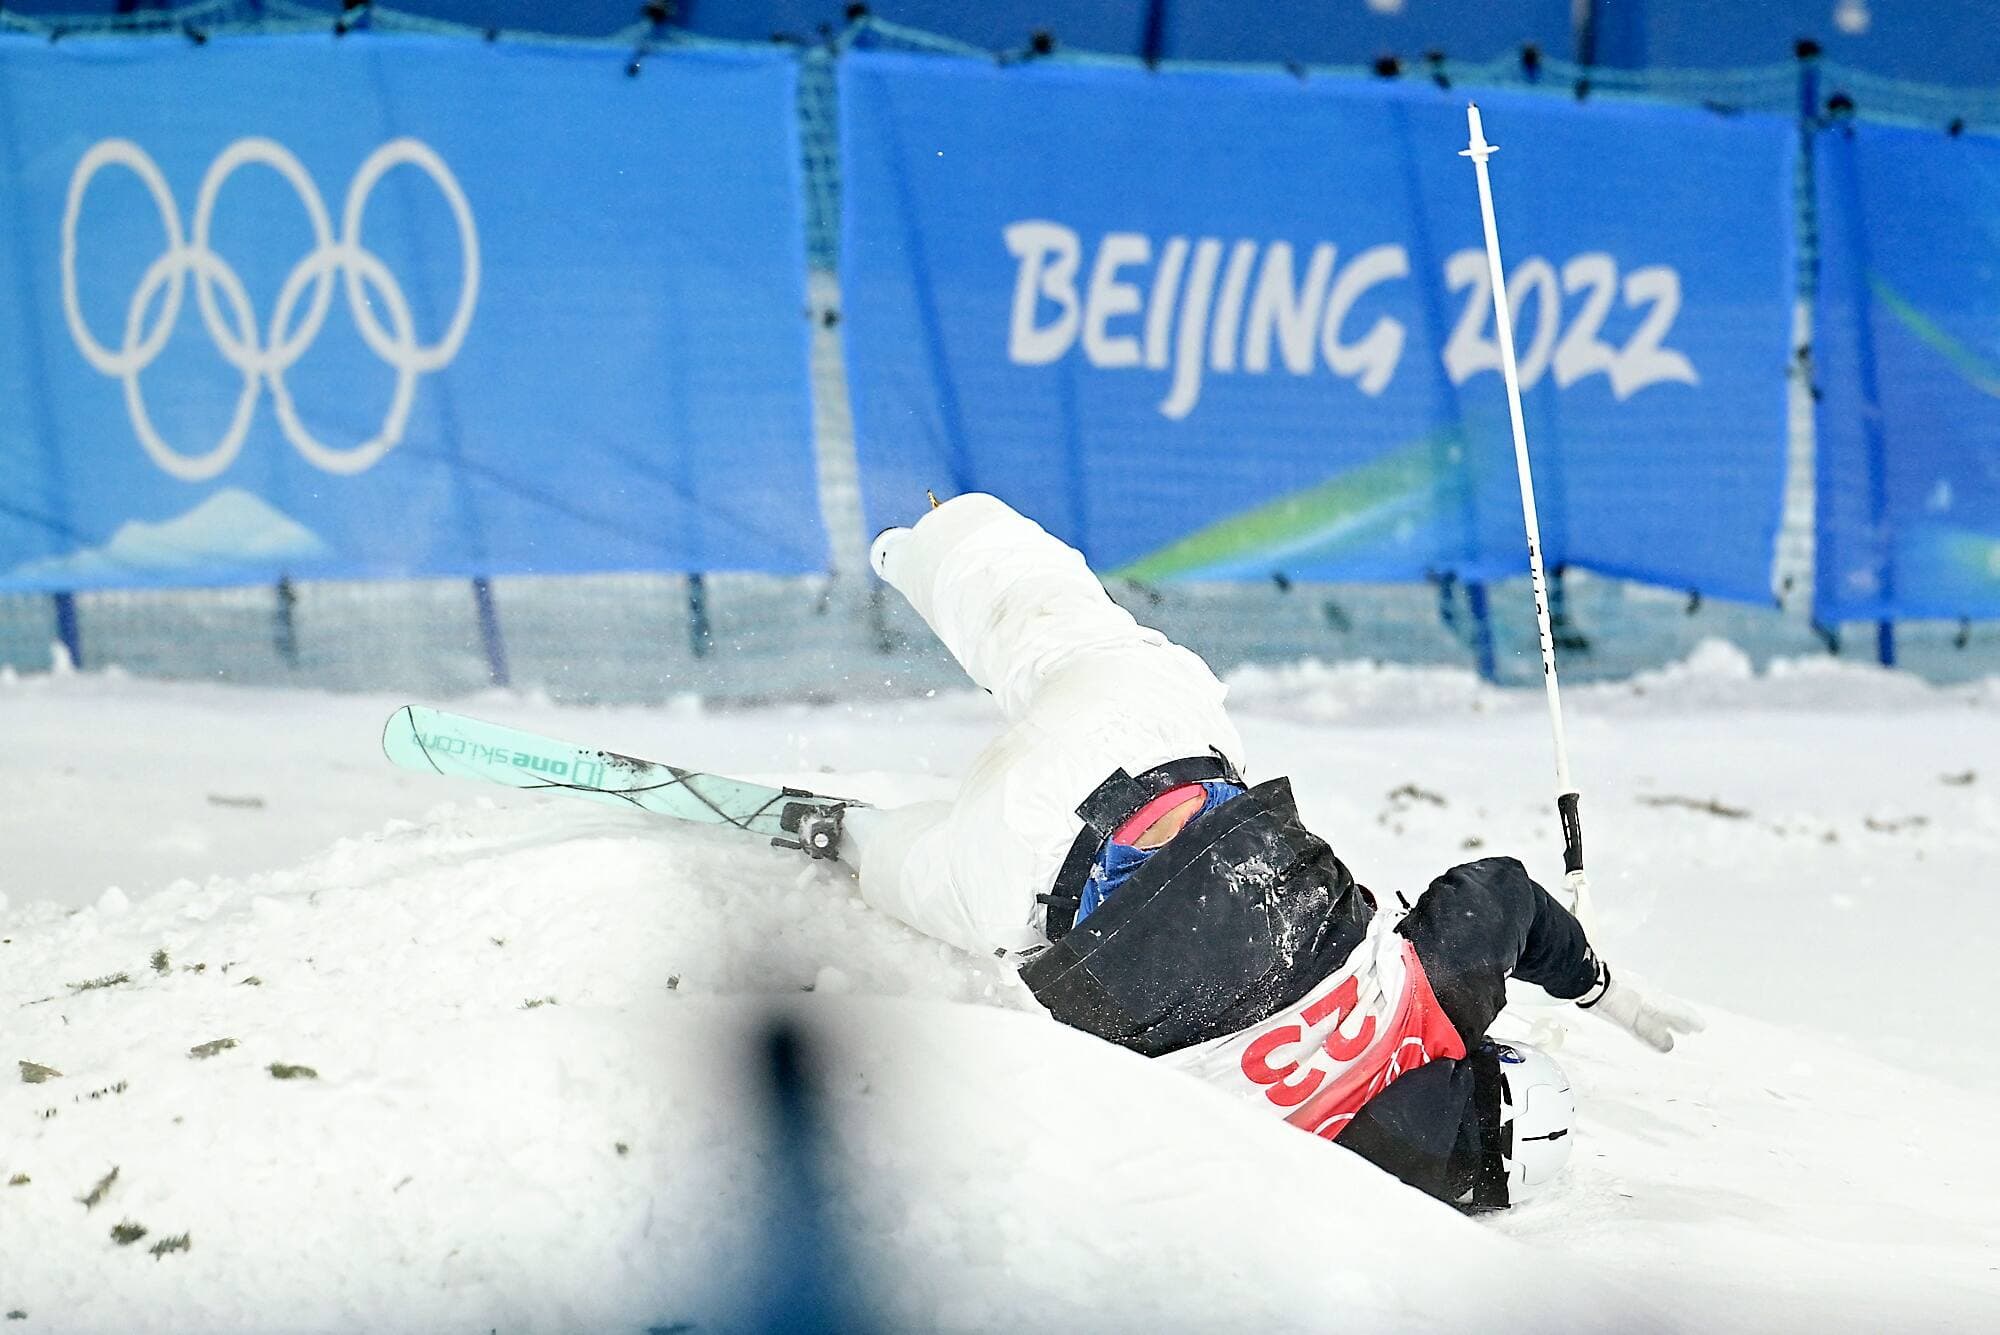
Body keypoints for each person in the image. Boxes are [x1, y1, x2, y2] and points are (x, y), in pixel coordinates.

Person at [841, 493, 1701, 1207]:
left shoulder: (1426, 1005)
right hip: (1020, 879)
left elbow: (1501, 891)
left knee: (1050, 623)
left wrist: (1596, 982)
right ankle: (841, 835)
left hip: (1151, 746)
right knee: (903, 868)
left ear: (1482, 1064)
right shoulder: (1287, 1181)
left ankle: (935, 534)